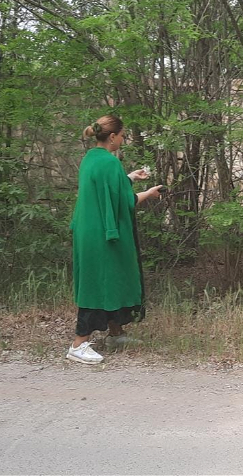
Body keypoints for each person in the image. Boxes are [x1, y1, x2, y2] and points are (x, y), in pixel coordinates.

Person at [66, 115, 164, 364]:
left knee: (111, 278)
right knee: (97, 284)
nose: (123, 139)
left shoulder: (91, 158)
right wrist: (149, 193)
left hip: (89, 230)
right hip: (101, 233)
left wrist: (129, 177)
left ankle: (116, 332)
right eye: (122, 135)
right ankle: (78, 344)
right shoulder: (110, 163)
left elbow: (107, 187)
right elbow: (125, 200)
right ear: (112, 137)